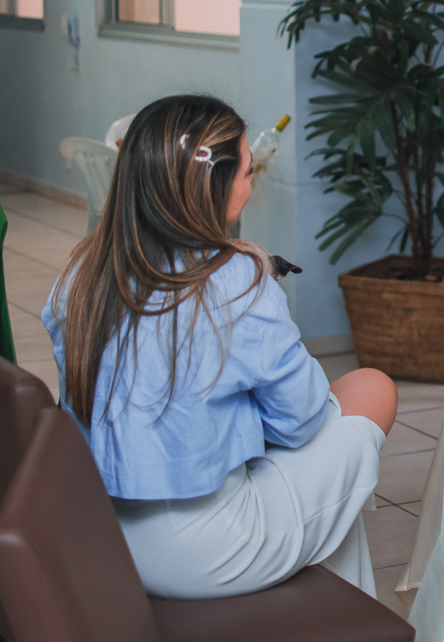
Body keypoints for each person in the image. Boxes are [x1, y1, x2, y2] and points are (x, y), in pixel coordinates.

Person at [42, 95, 398, 599]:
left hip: (100, 531)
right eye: (249, 174)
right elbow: (301, 421)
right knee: (371, 390)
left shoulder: (80, 274)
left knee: (327, 491)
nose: (252, 186)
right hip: (207, 551)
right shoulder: (234, 280)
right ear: (215, 187)